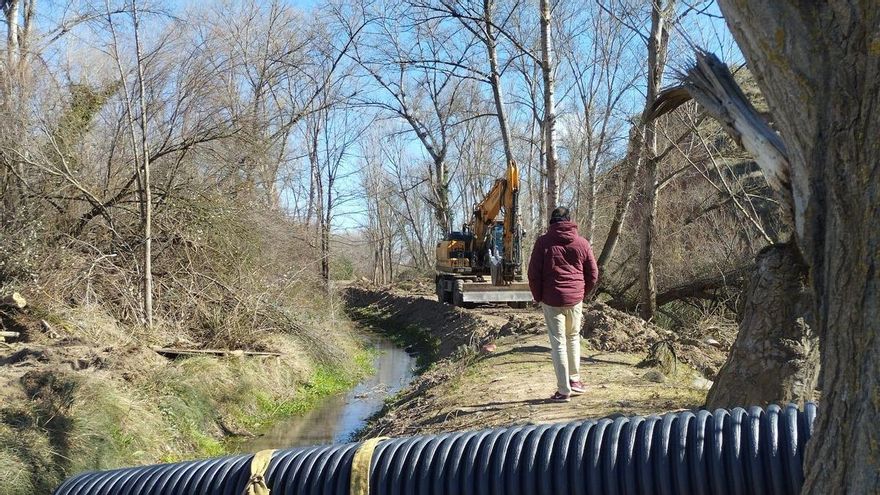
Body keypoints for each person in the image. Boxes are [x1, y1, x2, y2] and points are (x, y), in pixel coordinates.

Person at [527, 206, 599, 402]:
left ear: (552, 222)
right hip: (575, 299)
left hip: (551, 299)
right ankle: (575, 380)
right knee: (573, 338)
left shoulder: (543, 243)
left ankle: (563, 390)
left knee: (558, 343)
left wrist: (538, 296)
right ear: (569, 221)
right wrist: (581, 293)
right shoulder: (582, 243)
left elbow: (533, 274)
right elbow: (593, 274)